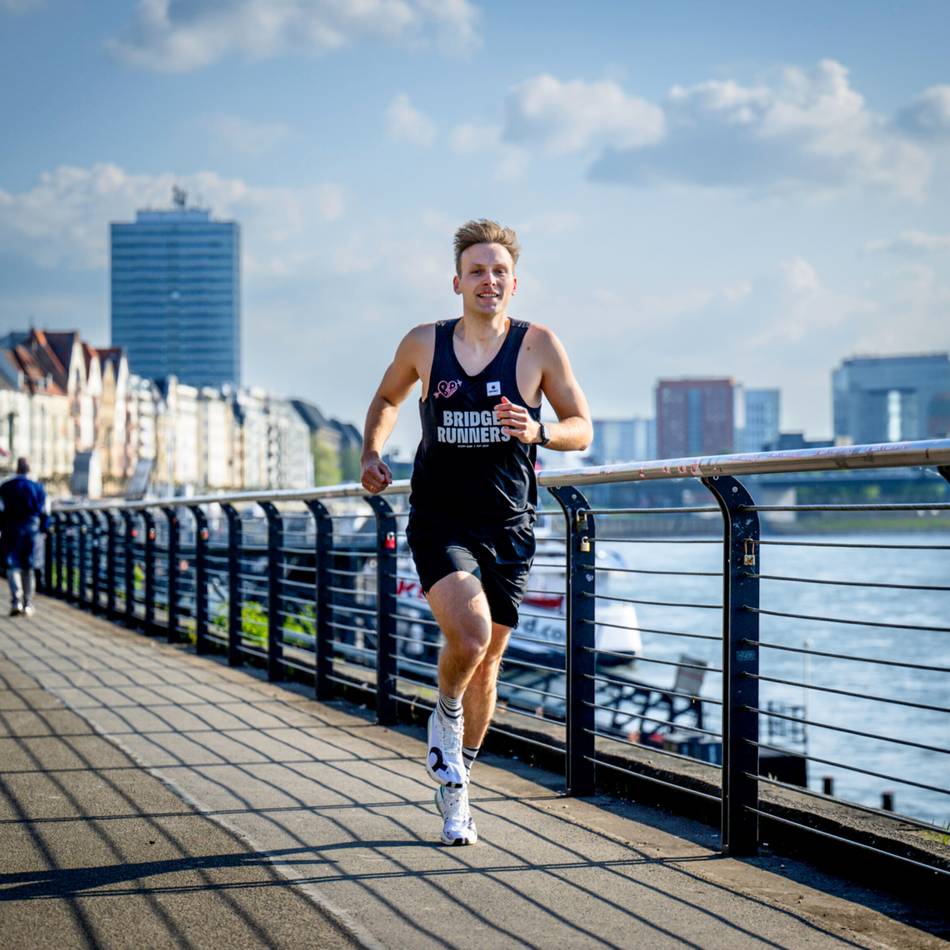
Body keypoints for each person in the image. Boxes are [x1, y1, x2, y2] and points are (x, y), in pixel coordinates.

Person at [361, 219, 592, 845]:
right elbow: (386, 398)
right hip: (439, 518)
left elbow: (580, 426)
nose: (488, 280)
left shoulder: (539, 345)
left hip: (510, 524)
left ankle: (458, 786)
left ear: (513, 283)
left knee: (489, 663)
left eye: (498, 271)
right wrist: (371, 452)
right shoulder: (425, 342)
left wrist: (539, 431)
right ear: (457, 281)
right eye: (476, 270)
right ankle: (445, 713)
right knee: (470, 632)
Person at [0, 457, 49, 618]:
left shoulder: (6, 487)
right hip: (32, 531)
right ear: (29, 470)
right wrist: (44, 529)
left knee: (12, 566)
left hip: (11, 529)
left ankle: (16, 601)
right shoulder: (39, 487)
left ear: (17, 469)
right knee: (29, 567)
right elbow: (45, 513)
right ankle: (28, 603)